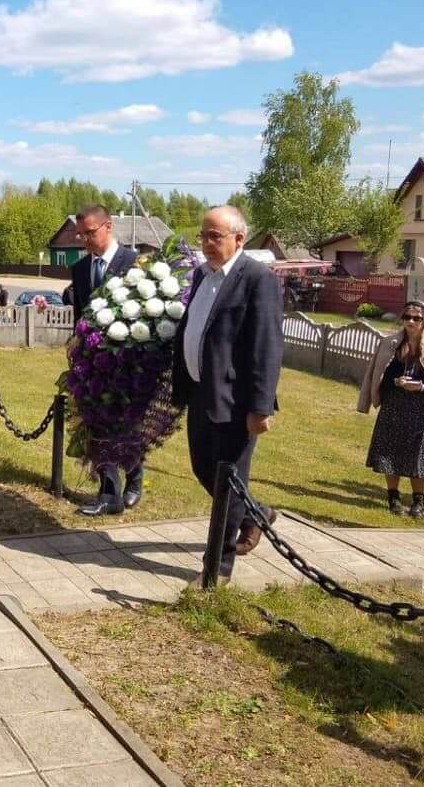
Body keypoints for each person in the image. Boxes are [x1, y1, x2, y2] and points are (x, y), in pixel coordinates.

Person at [172, 205, 283, 584]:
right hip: (201, 393)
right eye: (203, 235)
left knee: (226, 485)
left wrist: (260, 406)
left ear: (239, 238)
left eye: (214, 236)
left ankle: (217, 569)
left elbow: (266, 347)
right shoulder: (204, 276)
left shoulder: (257, 279)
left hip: (235, 403)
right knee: (204, 469)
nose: (205, 243)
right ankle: (256, 513)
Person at [67, 204, 144, 515]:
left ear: (108, 227)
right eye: (81, 234)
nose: (85, 239)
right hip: (93, 365)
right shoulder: (80, 269)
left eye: (90, 233)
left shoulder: (135, 263)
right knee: (98, 424)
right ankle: (109, 493)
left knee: (127, 427)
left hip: (130, 364)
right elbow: (80, 319)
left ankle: (135, 478)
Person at [357, 301, 424, 516]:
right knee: (391, 452)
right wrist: (397, 383)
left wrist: (423, 386)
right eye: (407, 317)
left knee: (418, 454)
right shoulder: (390, 343)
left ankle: (418, 501)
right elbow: (376, 374)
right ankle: (393, 498)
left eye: (416, 318)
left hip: (420, 406)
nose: (411, 322)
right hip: (394, 404)